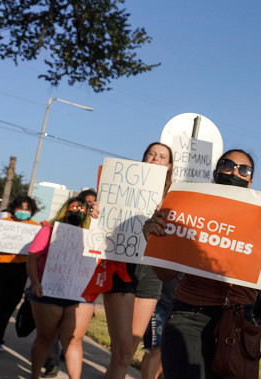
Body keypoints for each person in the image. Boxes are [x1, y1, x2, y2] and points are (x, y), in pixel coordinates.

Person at [146, 149, 259, 379]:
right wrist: (155, 240)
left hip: (238, 322)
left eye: (243, 169)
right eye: (228, 165)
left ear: (250, 182)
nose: (235, 172)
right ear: (215, 174)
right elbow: (165, 274)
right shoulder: (191, 210)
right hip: (190, 317)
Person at [103, 142, 173, 379]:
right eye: (151, 154)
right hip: (121, 268)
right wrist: (96, 214)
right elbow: (105, 219)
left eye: (162, 157)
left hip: (151, 275)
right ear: (143, 159)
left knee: (129, 350)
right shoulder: (121, 186)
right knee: (121, 352)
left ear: (169, 165)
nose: (156, 159)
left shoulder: (174, 198)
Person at [26, 196, 98, 379]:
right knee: (45, 337)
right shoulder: (48, 231)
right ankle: (35, 375)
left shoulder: (93, 235)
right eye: (74, 208)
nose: (77, 212)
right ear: (65, 210)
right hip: (48, 291)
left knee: (74, 339)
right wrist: (35, 283)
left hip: (80, 295)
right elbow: (33, 258)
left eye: (82, 210)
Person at [0, 195, 40, 355]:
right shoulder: (1, 224)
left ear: (31, 211)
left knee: (9, 306)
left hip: (20, 269)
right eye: (21, 208)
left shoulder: (36, 228)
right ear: (13, 209)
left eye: (27, 209)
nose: (23, 211)